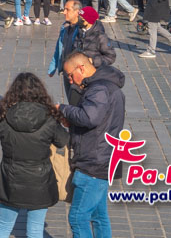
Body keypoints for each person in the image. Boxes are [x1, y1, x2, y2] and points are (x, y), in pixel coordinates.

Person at [0, 72, 70, 238]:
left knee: (3, 226)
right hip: (40, 179)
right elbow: (62, 141)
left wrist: (0, 115)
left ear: (14, 93)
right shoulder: (49, 117)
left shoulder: (5, 116)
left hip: (11, 179)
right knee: (35, 229)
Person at [58, 52, 126, 238]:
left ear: (81, 68)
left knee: (78, 218)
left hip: (93, 163)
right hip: (104, 160)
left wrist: (63, 109)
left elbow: (90, 117)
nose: (70, 81)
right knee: (98, 215)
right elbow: (98, 120)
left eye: (70, 75)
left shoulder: (98, 89)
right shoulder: (107, 86)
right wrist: (73, 121)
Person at [48, 0, 84, 101]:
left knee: (76, 101)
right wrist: (53, 67)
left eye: (67, 10)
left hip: (77, 73)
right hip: (66, 71)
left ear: (77, 12)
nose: (64, 12)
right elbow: (58, 48)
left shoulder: (82, 30)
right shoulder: (64, 27)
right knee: (70, 100)